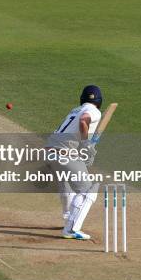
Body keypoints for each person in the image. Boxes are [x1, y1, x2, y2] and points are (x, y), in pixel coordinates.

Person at [45, 85, 103, 240]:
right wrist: (86, 144)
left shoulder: (75, 110)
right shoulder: (94, 111)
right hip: (64, 153)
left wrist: (84, 149)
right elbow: (84, 121)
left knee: (67, 182)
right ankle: (71, 229)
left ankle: (67, 217)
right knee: (88, 191)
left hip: (50, 150)